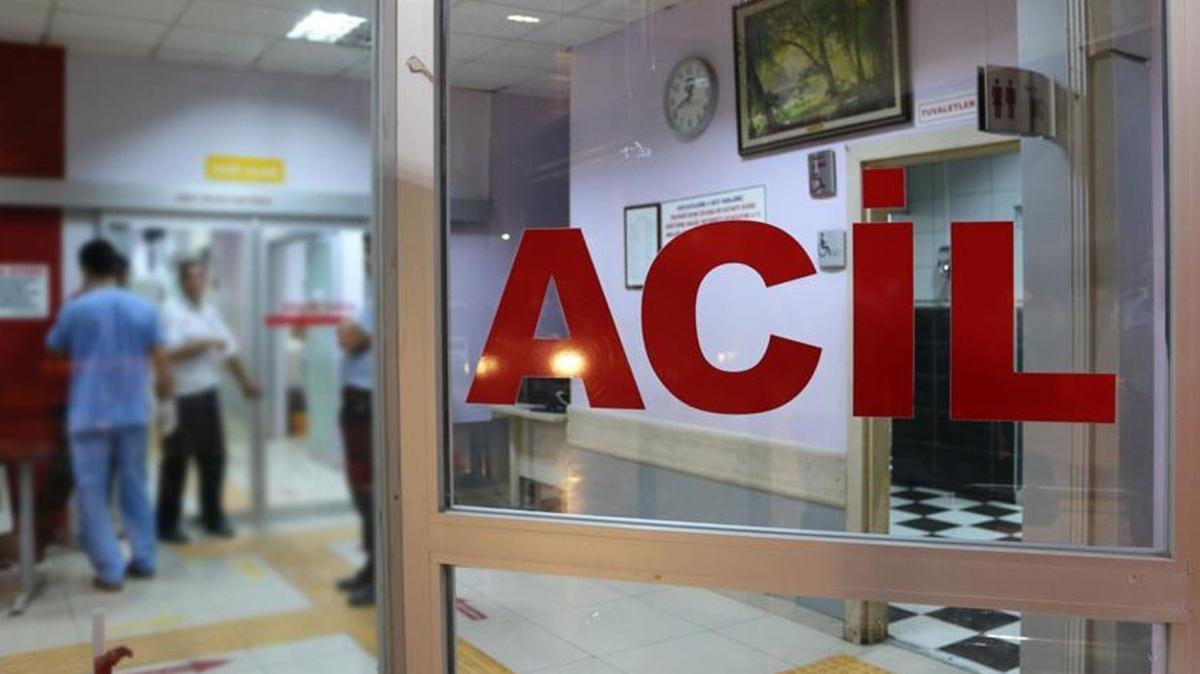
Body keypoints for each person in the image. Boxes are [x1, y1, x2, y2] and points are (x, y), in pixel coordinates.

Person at [46, 239, 172, 592]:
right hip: (132, 414)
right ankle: (144, 559)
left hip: (89, 415)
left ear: (85, 269)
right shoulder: (144, 309)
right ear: (116, 268)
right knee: (135, 487)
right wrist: (167, 401)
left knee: (92, 493)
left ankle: (110, 570)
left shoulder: (75, 309)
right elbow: (162, 363)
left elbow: (54, 350)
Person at [157, 259, 260, 542]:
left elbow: (230, 350)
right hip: (180, 397)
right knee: (176, 461)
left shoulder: (210, 312)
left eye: (200, 276)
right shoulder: (169, 311)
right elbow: (168, 354)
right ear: (181, 281)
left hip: (207, 394)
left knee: (213, 459)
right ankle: (166, 524)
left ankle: (212, 517)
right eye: (190, 277)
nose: (196, 282)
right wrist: (205, 343)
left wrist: (245, 382)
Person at [336, 235, 375, 607]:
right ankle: (371, 567)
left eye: (369, 251)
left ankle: (380, 574)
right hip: (356, 404)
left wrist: (347, 330)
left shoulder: (385, 294)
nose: (365, 259)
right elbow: (349, 336)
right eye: (364, 252)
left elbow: (349, 339)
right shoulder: (370, 295)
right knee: (361, 488)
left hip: (368, 405)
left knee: (371, 491)